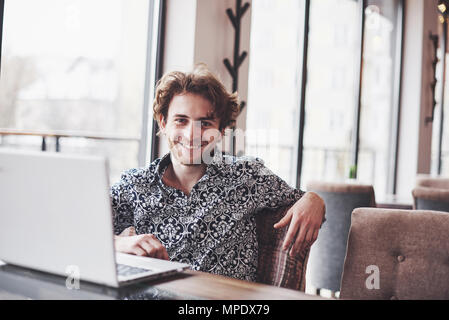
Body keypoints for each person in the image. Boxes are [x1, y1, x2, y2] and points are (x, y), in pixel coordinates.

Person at [111, 65, 325, 282]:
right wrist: (117, 243)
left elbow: (303, 199)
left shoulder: (246, 176)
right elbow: (81, 227)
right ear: (163, 122)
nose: (192, 134)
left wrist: (314, 199)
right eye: (181, 120)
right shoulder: (135, 185)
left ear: (221, 130)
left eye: (205, 123)